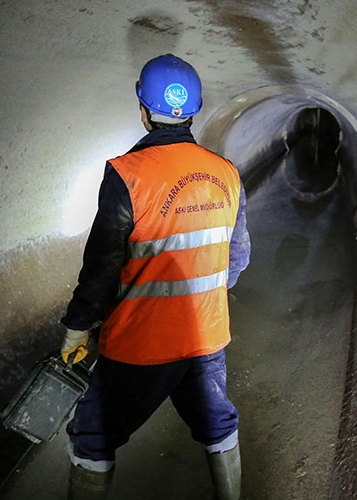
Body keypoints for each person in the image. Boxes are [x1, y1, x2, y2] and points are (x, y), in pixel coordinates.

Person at [59, 53, 250, 500]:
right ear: (195, 111)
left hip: (140, 341)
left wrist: (78, 326)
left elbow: (102, 267)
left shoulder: (128, 175)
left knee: (93, 434)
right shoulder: (227, 174)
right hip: (206, 335)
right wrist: (200, 304)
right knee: (217, 424)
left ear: (143, 110)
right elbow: (236, 258)